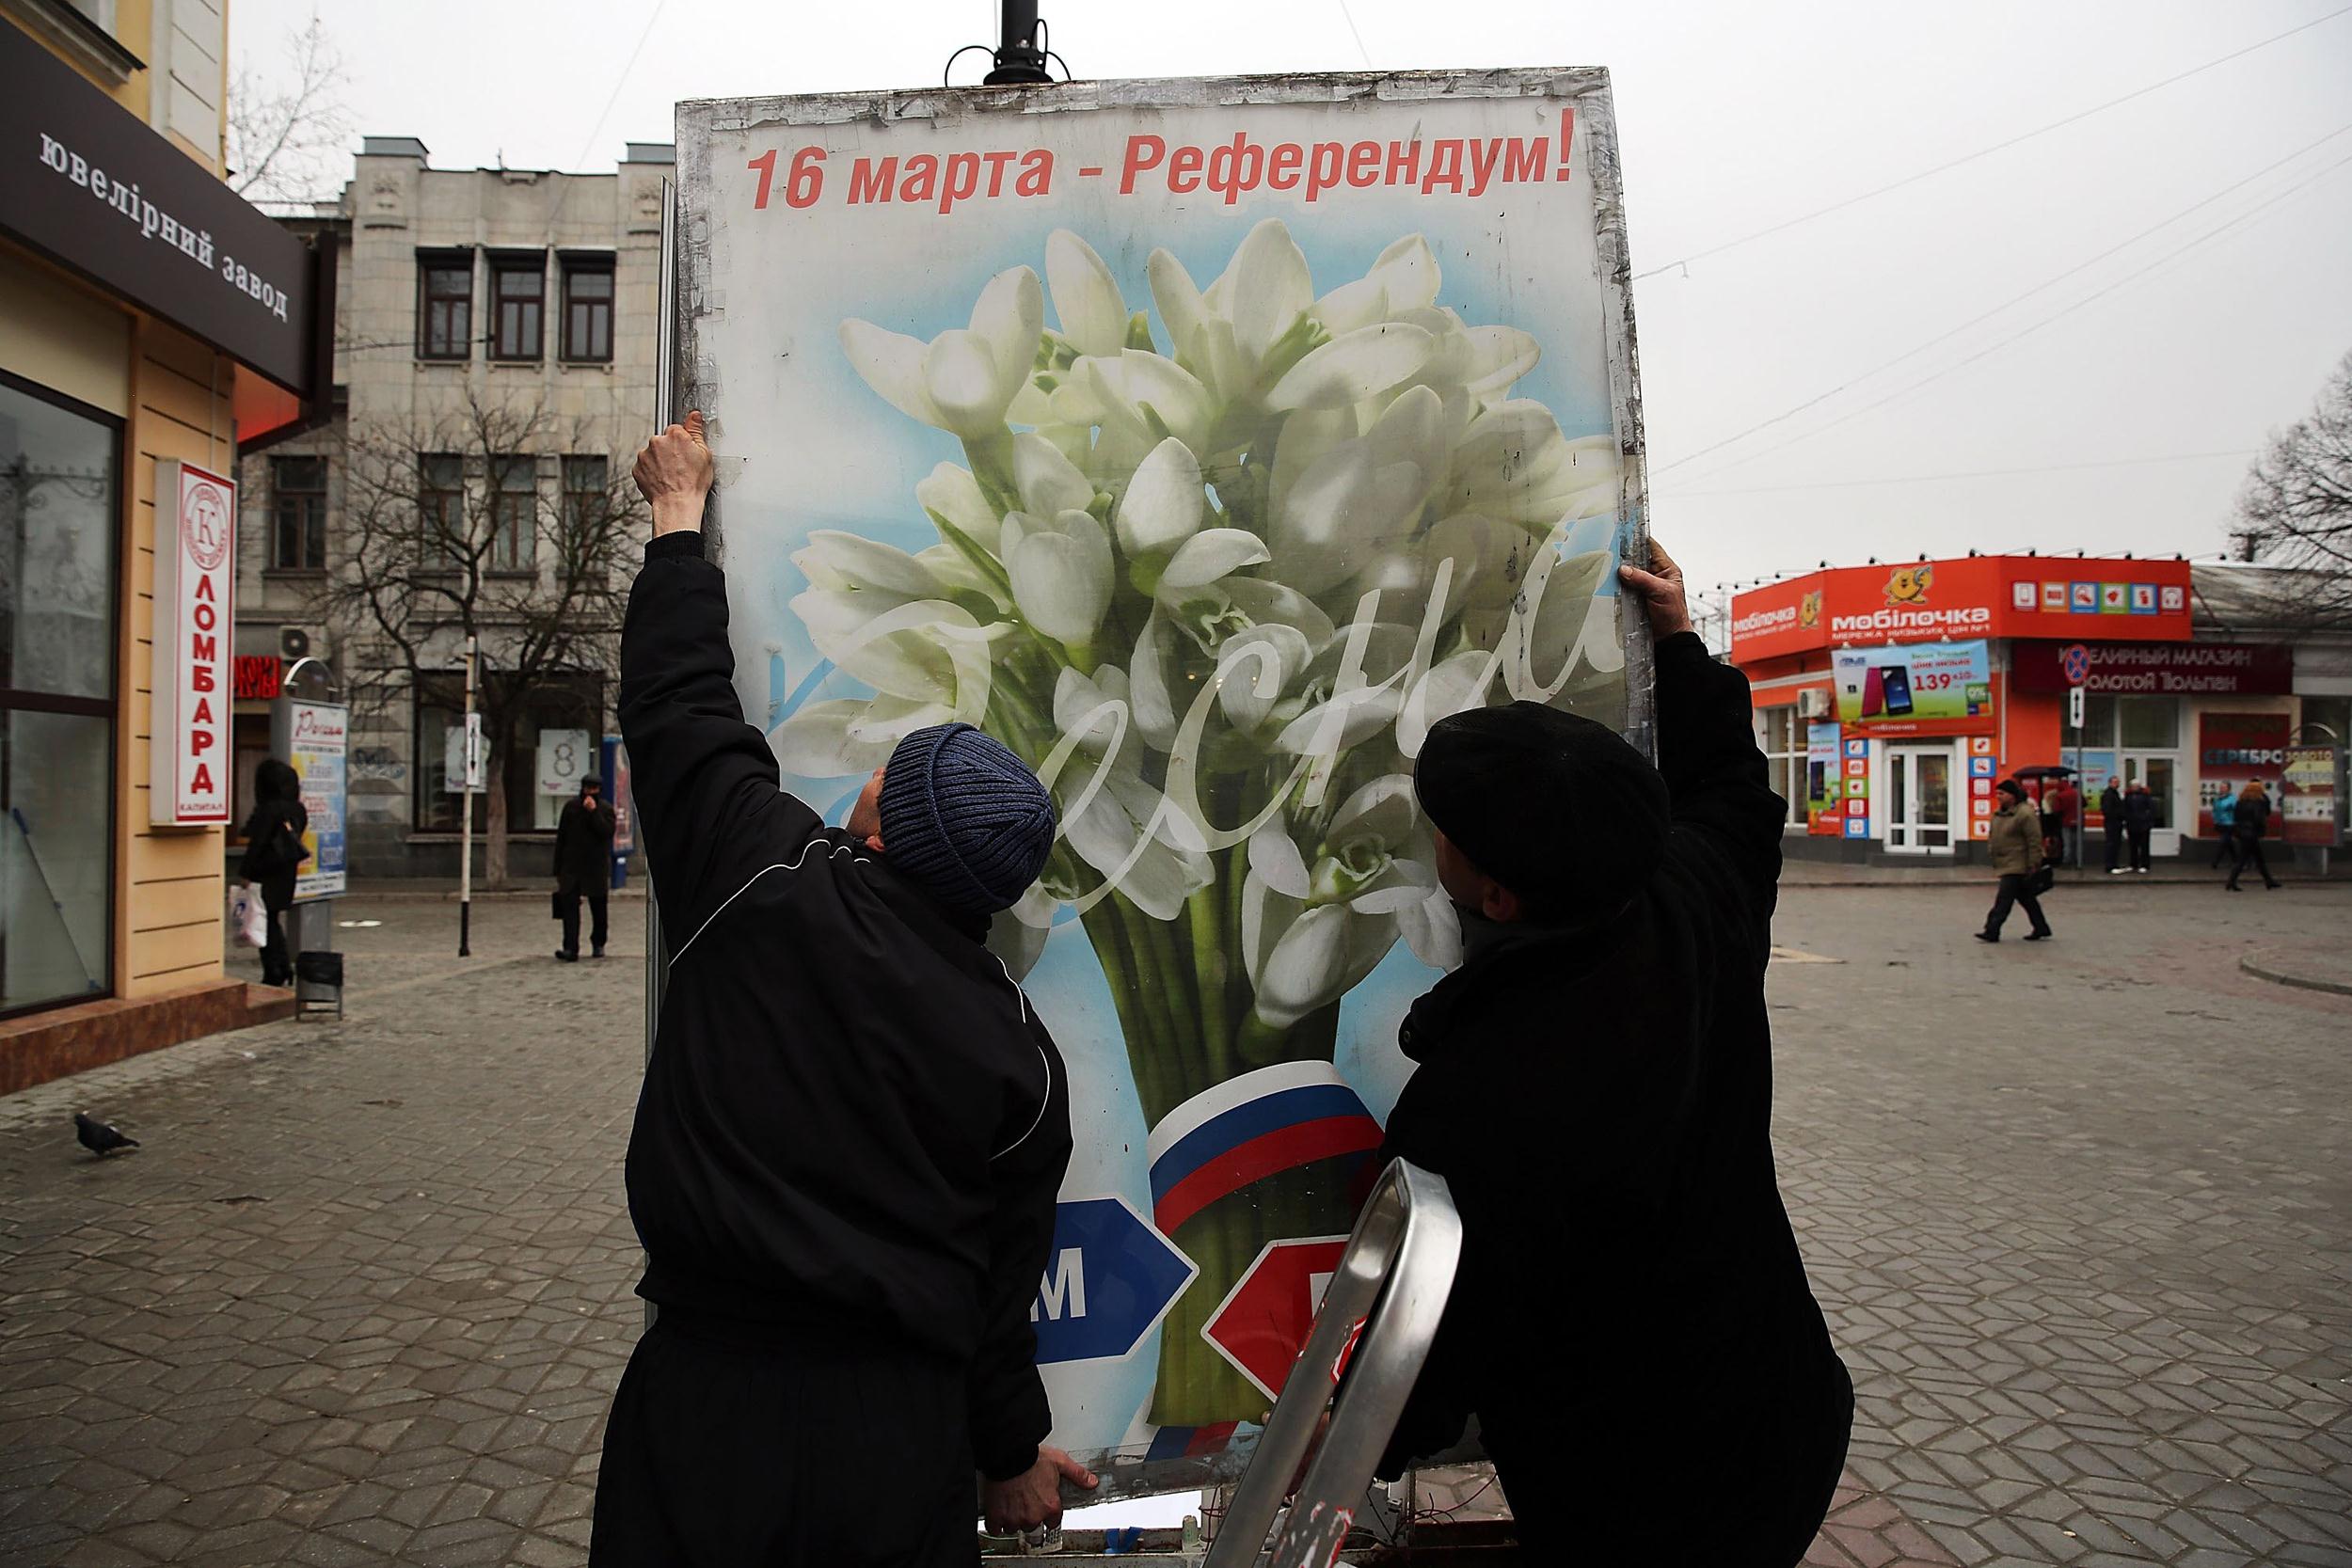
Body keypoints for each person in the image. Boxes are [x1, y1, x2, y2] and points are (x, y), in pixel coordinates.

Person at [590, 414, 1095, 1566]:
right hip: (896, 1440)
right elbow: (993, 1297)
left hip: (705, 1402)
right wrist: (1006, 1455)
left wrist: (677, 523)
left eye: (884, 771)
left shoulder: (757, 874)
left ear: (876, 817)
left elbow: (680, 706)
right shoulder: (1020, 1058)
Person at [1374, 541, 1852, 1566]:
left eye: (1442, 831)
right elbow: (1732, 784)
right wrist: (1679, 640)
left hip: (1632, 1482)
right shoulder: (1696, 896)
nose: (1433, 841)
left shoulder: (1485, 1087)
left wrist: (1371, 1436)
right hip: (1781, 1404)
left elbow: (1455, 1320)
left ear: (1496, 895)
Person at [235, 758, 310, 988]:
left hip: (265, 871)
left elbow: (258, 843)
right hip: (286, 870)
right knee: (272, 920)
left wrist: (245, 872)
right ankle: (283, 967)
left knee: (263, 921)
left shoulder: (270, 809)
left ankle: (275, 970)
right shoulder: (297, 808)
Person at [1977, 779, 2054, 942]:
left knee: (2003, 900)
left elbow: (2034, 840)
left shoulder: (2025, 813)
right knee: (2026, 898)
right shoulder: (1999, 814)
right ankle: (2041, 927)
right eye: (1997, 793)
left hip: (2018, 864)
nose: (1998, 797)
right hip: (2006, 861)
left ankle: (1992, 930)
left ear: (2012, 795)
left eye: (2002, 794)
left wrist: (2034, 863)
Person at [552, 775, 617, 961]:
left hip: (595, 867)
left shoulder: (605, 809)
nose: (590, 792)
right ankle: (570, 948)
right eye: (587, 788)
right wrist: (557, 869)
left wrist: (594, 812)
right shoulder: (571, 808)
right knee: (570, 909)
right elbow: (562, 839)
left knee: (598, 908)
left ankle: (598, 943)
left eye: (594, 789)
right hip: (571, 867)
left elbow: (606, 832)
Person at [2228, 780, 2281, 891]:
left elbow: (2235, 817)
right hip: (2252, 833)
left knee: (2258, 858)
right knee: (2244, 859)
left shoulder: (2240, 801)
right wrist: (2261, 830)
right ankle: (2231, 882)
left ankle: (2269, 881)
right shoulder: (2258, 802)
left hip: (2242, 832)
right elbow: (2260, 817)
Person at [2048, 775, 2082, 867]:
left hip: (2066, 821)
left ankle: (2067, 861)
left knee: (2067, 843)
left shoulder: (2060, 796)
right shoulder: (2076, 793)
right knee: (2077, 842)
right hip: (2078, 821)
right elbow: (2084, 803)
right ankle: (2079, 861)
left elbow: (2056, 810)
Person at [2123, 781, 2156, 874]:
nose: (2135, 788)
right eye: (2133, 786)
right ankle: (2133, 864)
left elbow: (2152, 809)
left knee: (2144, 846)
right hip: (2132, 825)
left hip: (2144, 825)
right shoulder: (2128, 796)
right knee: (2132, 846)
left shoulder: (2146, 796)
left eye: (2136, 786)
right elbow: (2125, 809)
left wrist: (2147, 820)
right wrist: (2127, 819)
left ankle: (2145, 865)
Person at [2207, 784, 2238, 871]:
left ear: (2228, 789)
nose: (2221, 789)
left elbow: (2236, 809)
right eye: (2221, 787)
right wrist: (2214, 818)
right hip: (2220, 824)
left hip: (2229, 823)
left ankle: (2215, 862)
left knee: (2223, 842)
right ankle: (2237, 860)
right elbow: (2214, 809)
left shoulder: (2233, 799)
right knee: (2228, 843)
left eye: (2224, 787)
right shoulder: (2218, 798)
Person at [2100, 774, 2126, 874]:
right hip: (2112, 823)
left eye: (2118, 782)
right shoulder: (2109, 794)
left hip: (2115, 823)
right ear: (2110, 783)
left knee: (2115, 844)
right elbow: (2107, 810)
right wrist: (2118, 815)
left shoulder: (2114, 793)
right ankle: (2110, 865)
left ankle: (2114, 864)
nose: (2117, 784)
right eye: (2115, 782)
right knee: (2111, 844)